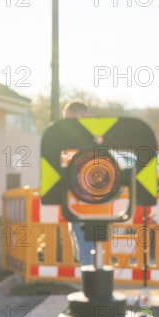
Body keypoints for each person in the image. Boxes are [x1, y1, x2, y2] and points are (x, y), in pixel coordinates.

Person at [62, 100, 95, 266]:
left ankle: (91, 288)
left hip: (89, 204)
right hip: (75, 203)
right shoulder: (67, 140)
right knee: (82, 249)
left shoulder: (95, 136)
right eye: (69, 121)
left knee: (88, 253)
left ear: (87, 117)